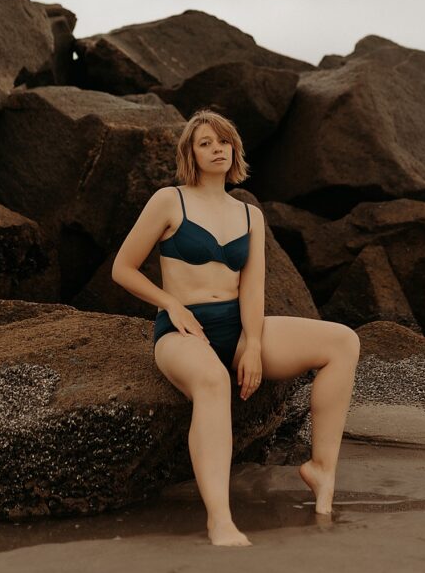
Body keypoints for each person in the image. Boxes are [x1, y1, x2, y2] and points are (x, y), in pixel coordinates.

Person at [112, 108, 360, 547]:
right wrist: (171, 304)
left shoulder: (249, 215)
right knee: (212, 380)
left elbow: (253, 288)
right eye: (205, 143)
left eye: (223, 141)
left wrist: (252, 342)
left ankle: (322, 470)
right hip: (181, 331)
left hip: (238, 324)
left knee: (343, 341)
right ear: (190, 152)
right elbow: (123, 268)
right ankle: (220, 520)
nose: (217, 149)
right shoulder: (170, 200)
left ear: (235, 149)